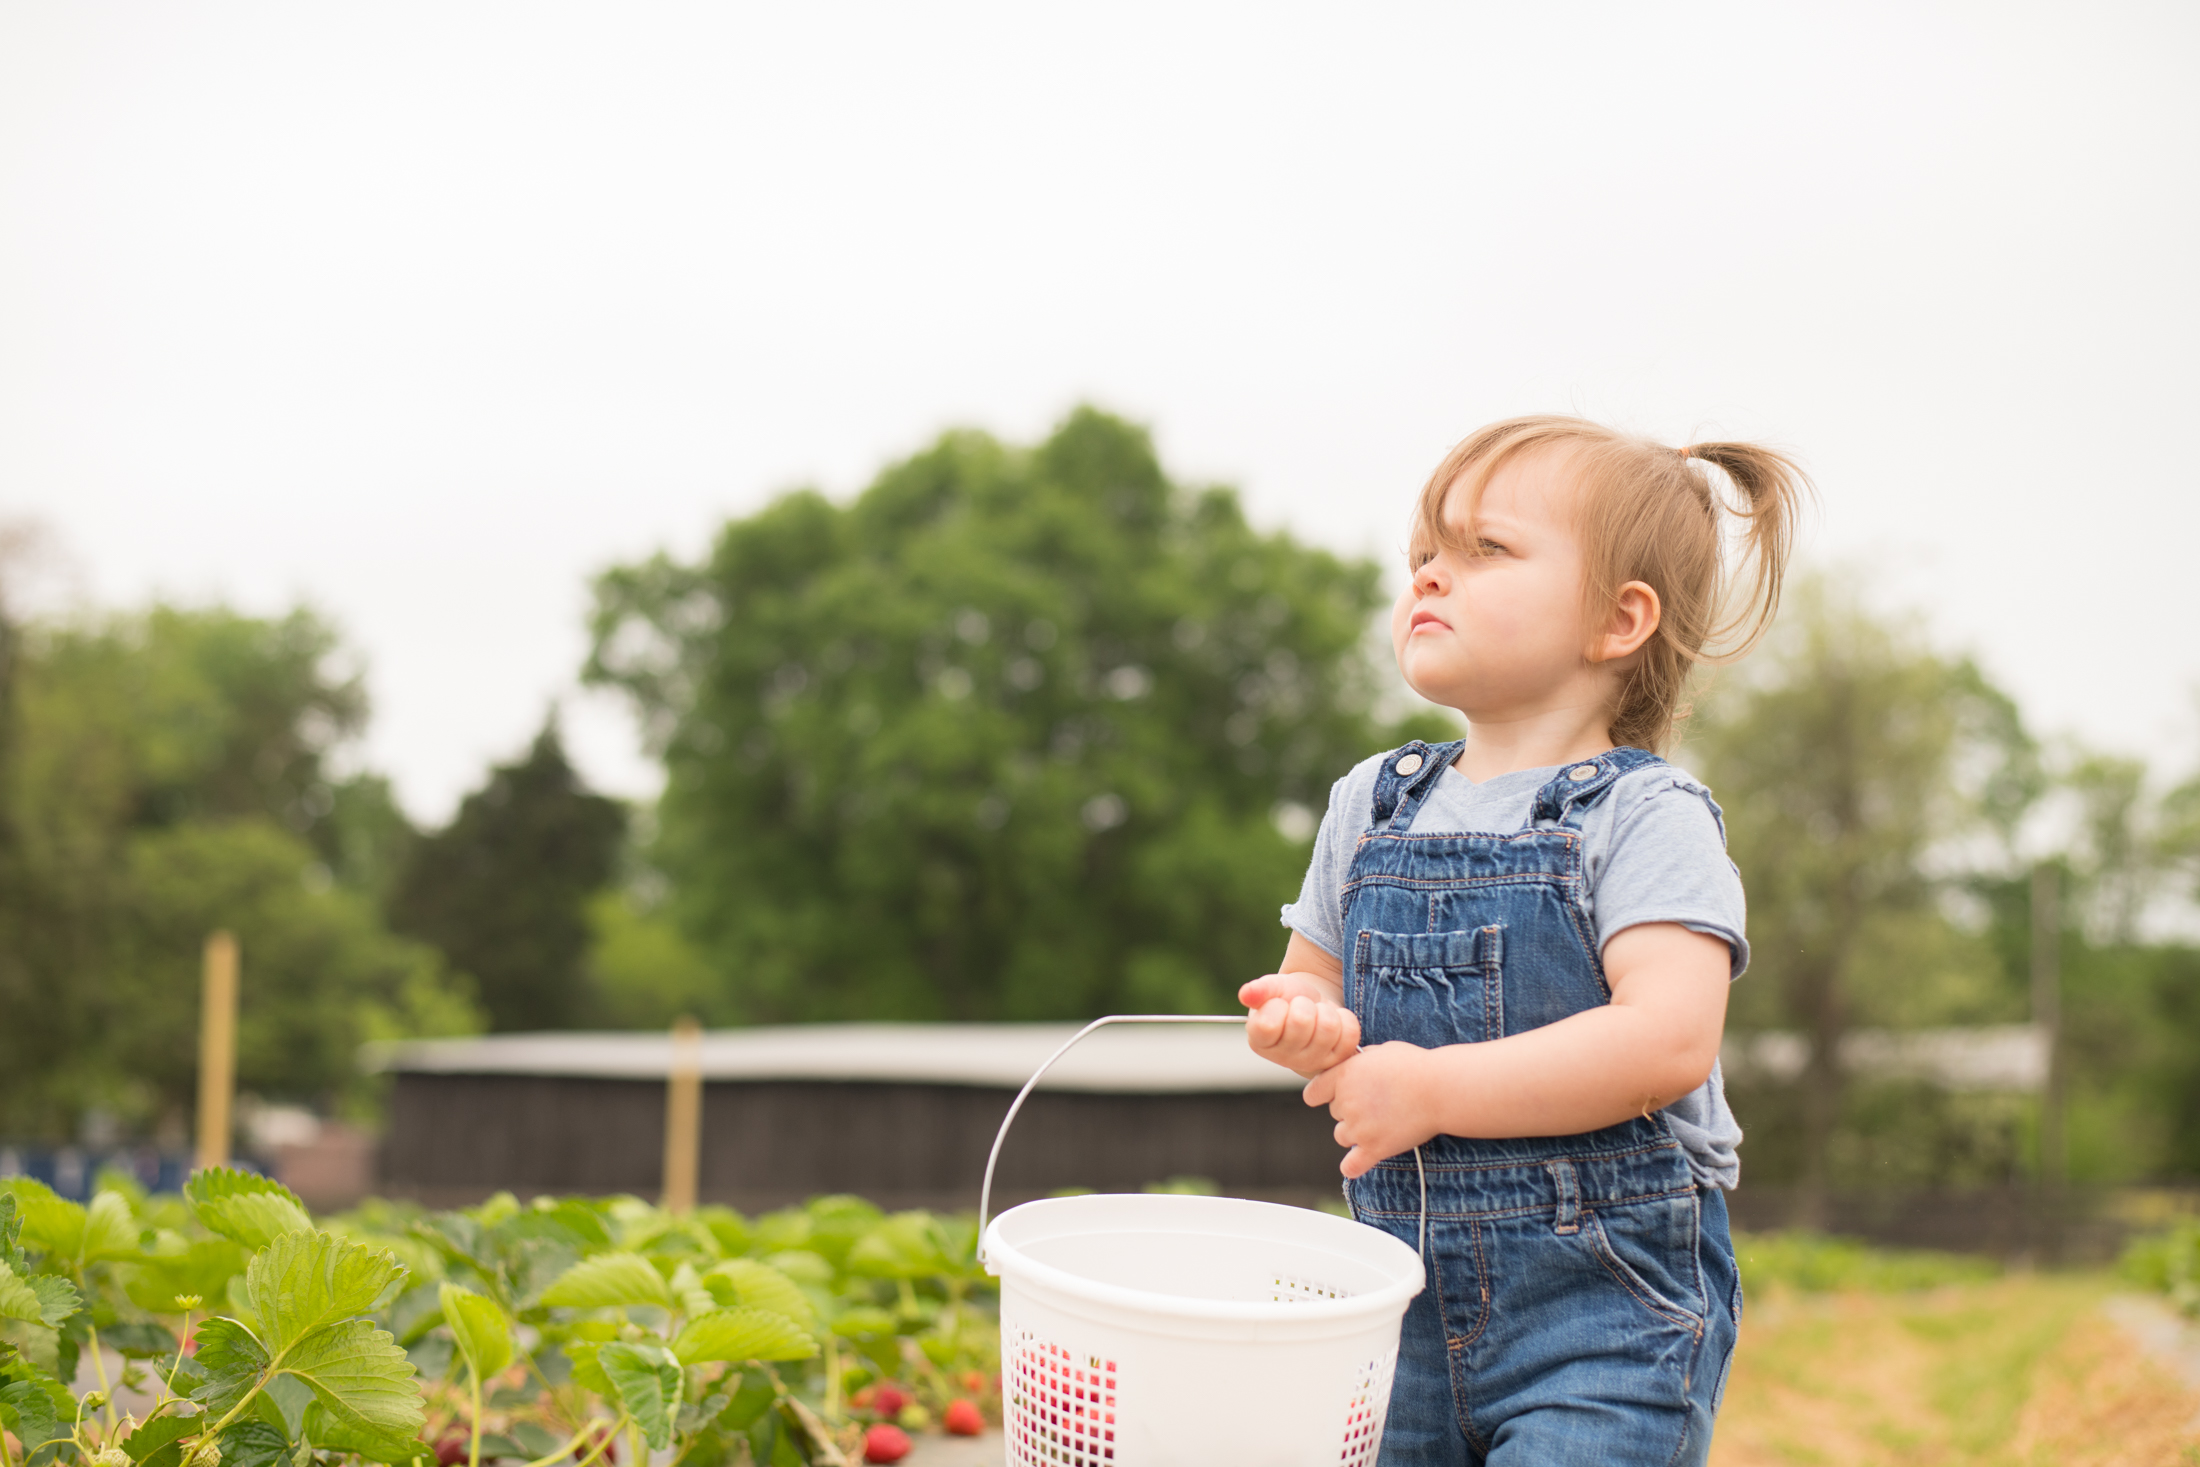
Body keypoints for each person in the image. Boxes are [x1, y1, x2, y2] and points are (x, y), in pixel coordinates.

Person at [1240, 416, 1806, 1466]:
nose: (1429, 579)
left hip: (1603, 1314)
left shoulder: (1642, 816)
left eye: (1483, 551)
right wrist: (1299, 1026)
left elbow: (1666, 1041)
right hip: (1393, 1304)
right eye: (1422, 556)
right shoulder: (1371, 803)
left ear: (1618, 619)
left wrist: (1438, 1090)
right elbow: (1309, 982)